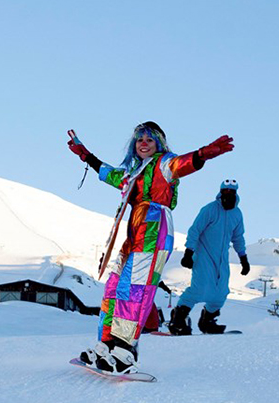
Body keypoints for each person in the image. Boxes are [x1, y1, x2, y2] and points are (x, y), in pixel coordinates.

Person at [67, 121, 234, 373]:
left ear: (159, 144)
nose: (143, 143)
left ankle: (125, 350)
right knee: (114, 286)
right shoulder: (134, 172)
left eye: (149, 139)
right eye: (139, 139)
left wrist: (202, 155)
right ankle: (107, 343)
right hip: (133, 231)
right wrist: (86, 155)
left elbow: (181, 165)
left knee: (135, 288)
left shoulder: (163, 164)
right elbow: (109, 173)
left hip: (154, 228)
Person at [168, 179, 249, 335]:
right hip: (204, 254)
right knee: (199, 289)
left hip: (222, 258)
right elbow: (195, 230)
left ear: (236, 194)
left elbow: (238, 237)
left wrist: (243, 258)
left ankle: (207, 321)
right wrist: (188, 252)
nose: (228, 195)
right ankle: (178, 318)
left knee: (221, 292)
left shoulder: (237, 214)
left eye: (231, 192)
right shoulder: (210, 210)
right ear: (220, 192)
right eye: (225, 192)